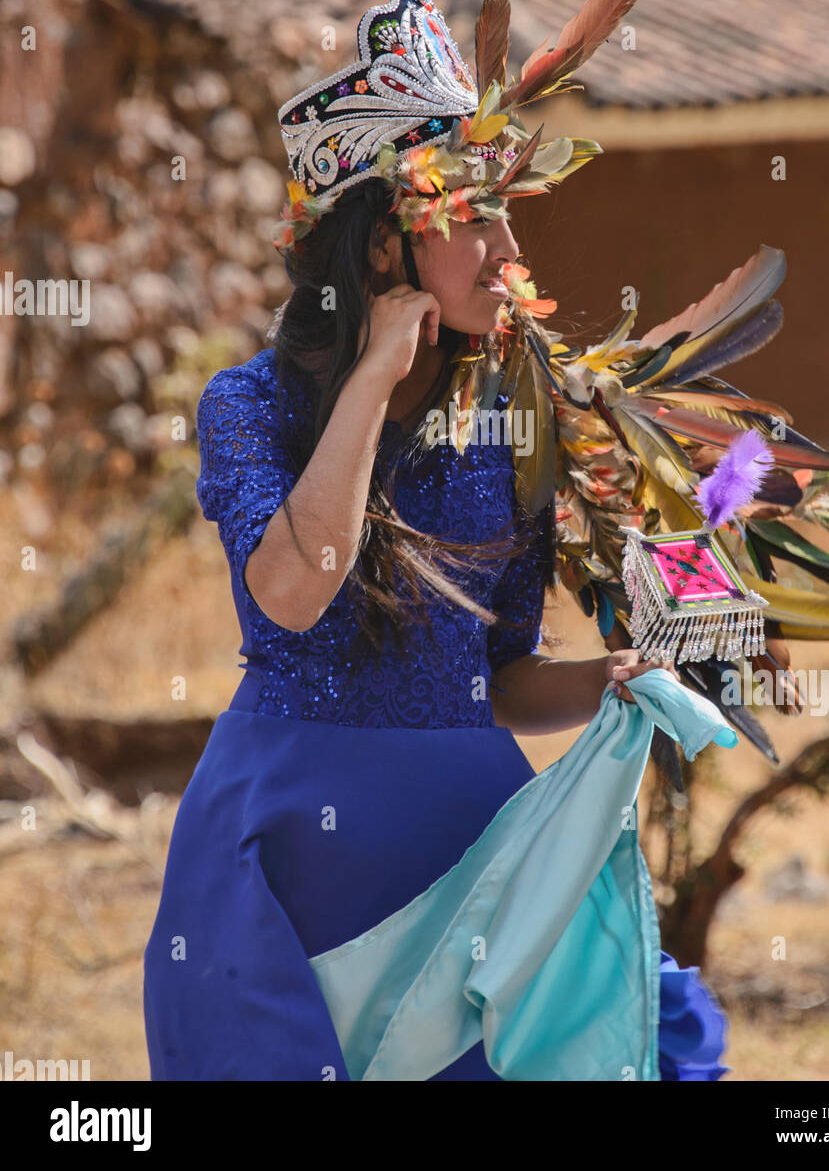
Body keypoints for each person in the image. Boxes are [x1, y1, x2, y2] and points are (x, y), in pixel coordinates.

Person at [142, 167, 729, 1080]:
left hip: (468, 852)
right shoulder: (249, 404)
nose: (510, 257)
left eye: (509, 229)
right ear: (386, 244)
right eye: (478, 225)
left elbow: (496, 674)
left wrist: (605, 677)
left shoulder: (508, 429)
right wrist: (375, 375)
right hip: (291, 856)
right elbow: (294, 594)